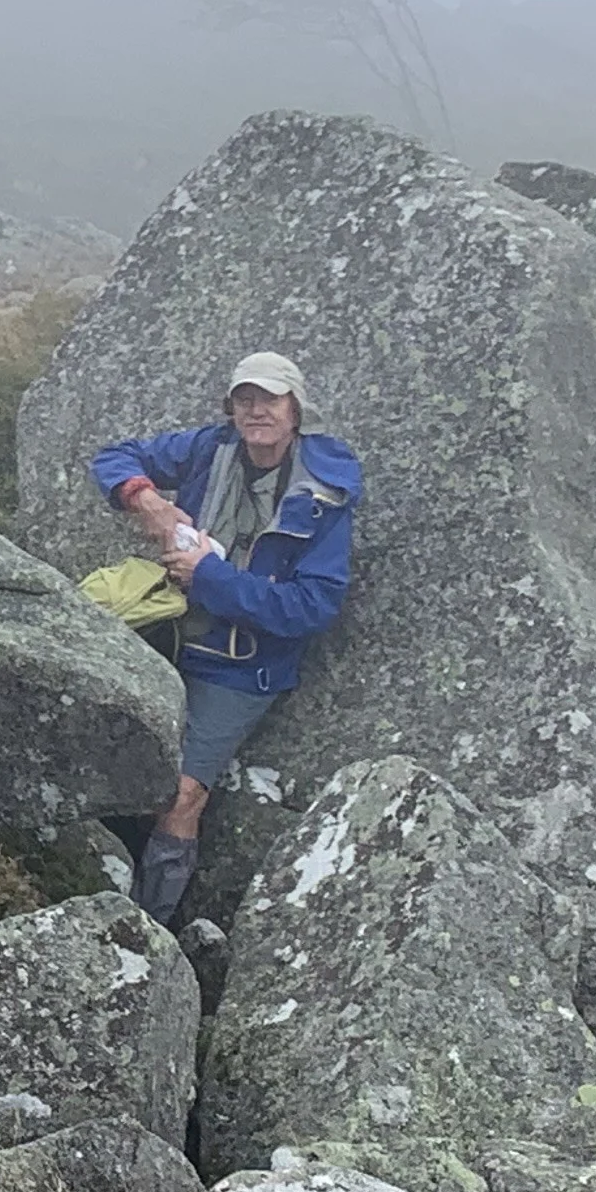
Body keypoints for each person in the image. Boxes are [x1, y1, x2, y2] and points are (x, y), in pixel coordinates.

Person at [87, 349, 360, 923]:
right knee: (99, 742)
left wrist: (211, 578)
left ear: (295, 409)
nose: (256, 410)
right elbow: (114, 457)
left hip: (241, 667)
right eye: (245, 399)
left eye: (270, 399)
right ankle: (78, 877)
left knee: (184, 792)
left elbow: (312, 607)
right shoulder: (210, 449)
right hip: (166, 632)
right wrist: (151, 503)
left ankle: (147, 928)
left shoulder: (325, 493)